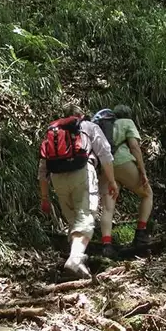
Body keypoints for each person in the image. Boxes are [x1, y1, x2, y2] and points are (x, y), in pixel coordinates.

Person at [39, 103, 119, 279]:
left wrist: (44, 196)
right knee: (86, 217)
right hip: (82, 173)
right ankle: (74, 260)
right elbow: (105, 154)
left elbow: (43, 167)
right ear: (81, 115)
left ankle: (76, 264)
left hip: (57, 177)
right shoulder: (88, 126)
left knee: (74, 219)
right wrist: (112, 181)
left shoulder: (53, 131)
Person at [98, 105, 153, 256]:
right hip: (123, 163)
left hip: (105, 168)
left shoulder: (103, 127)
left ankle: (107, 245)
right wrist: (142, 171)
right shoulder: (127, 123)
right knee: (147, 194)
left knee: (108, 207)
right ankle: (140, 234)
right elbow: (134, 147)